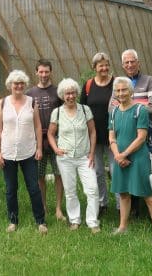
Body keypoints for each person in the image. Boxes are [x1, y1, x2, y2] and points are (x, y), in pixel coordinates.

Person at [109, 77, 152, 245]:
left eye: (124, 90)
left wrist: (124, 154)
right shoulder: (114, 112)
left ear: (131, 91)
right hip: (120, 158)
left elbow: (141, 138)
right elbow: (112, 137)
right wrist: (118, 155)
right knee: (124, 194)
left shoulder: (141, 110)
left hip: (139, 158)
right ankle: (123, 227)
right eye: (117, 90)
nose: (121, 93)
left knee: (148, 195)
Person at [0, 70, 47, 234]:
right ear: (10, 85)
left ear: (25, 85)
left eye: (21, 83)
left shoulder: (32, 102)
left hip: (29, 152)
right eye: (15, 83)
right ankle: (12, 221)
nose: (18, 86)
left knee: (34, 188)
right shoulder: (2, 103)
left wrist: (39, 148)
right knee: (11, 189)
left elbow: (38, 126)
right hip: (8, 153)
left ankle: (40, 221)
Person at [48, 78, 101, 233]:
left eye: (72, 93)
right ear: (62, 95)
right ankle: (75, 220)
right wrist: (56, 149)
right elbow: (51, 134)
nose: (70, 96)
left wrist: (91, 153)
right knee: (70, 191)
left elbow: (93, 132)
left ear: (77, 94)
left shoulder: (85, 110)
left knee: (92, 189)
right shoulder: (57, 112)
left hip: (85, 157)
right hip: (65, 159)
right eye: (67, 93)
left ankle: (92, 222)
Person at [121, 49, 152, 219]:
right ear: (123, 65)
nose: (130, 65)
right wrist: (141, 105)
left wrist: (128, 107)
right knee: (131, 177)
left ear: (138, 62)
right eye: (127, 62)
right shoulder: (121, 83)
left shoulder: (149, 80)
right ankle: (135, 214)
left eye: (133, 61)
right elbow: (113, 108)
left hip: (148, 138)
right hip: (127, 138)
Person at [26, 59, 66, 222]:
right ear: (36, 72)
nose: (43, 75)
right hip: (38, 141)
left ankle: (58, 208)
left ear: (51, 72)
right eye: (40, 72)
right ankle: (42, 206)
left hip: (57, 139)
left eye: (46, 72)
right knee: (40, 176)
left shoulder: (58, 92)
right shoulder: (30, 94)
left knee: (59, 174)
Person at [79, 52, 115, 216]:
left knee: (116, 171)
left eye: (106, 64)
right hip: (94, 136)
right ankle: (102, 203)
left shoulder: (116, 83)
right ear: (94, 67)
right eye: (101, 65)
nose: (104, 68)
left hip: (114, 135)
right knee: (98, 171)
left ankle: (122, 205)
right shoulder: (88, 86)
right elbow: (82, 110)